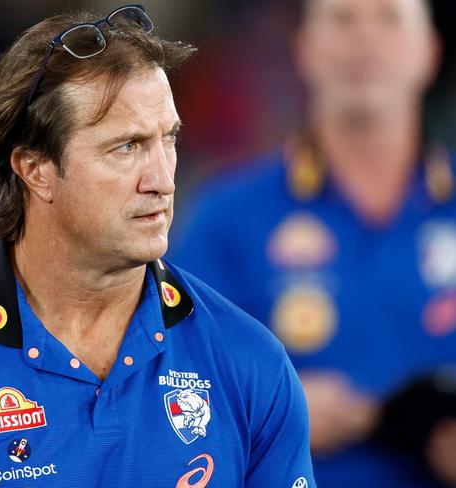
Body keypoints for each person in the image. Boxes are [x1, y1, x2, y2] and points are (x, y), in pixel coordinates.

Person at [0, 5, 316, 487]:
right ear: (35, 170)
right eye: (127, 147)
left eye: (169, 139)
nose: (163, 179)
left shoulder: (249, 362)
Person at [172, 0, 456, 486]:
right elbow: (167, 390)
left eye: (389, 18)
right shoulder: (227, 219)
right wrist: (274, 408)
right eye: (343, 18)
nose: (365, 39)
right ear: (304, 49)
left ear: (429, 51)